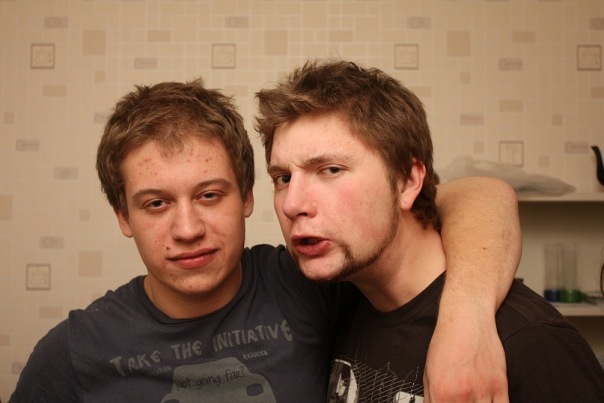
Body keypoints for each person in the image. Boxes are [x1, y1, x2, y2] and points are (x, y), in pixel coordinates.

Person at [11, 78, 520, 402]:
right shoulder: (74, 353)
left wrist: (466, 319)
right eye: (156, 204)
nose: (187, 230)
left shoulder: (307, 283)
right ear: (123, 215)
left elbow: (474, 195)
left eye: (210, 195)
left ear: (248, 197)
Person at [255, 59, 604, 402]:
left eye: (330, 170)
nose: (292, 204)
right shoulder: (338, 302)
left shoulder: (529, 340)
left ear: (408, 181)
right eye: (283, 178)